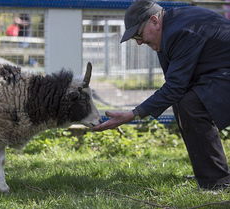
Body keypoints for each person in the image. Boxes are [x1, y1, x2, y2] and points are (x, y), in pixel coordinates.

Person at [92, 0, 230, 190]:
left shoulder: (180, 31)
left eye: (138, 34)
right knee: (184, 102)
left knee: (191, 104)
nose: (139, 42)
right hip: (220, 72)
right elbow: (175, 88)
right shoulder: (167, 31)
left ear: (154, 20)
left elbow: (174, 86)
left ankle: (216, 181)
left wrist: (133, 114)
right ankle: (211, 177)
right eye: (135, 39)